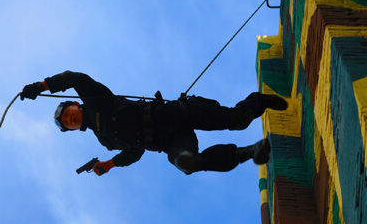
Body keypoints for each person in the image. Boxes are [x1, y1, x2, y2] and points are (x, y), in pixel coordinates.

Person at [20, 71, 287, 175]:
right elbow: (133, 153)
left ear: (75, 105)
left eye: (69, 113)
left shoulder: (97, 100)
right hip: (170, 142)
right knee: (187, 164)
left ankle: (258, 101)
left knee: (237, 121)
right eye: (68, 123)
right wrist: (110, 164)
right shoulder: (104, 139)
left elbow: (73, 77)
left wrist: (41, 86)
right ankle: (251, 151)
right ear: (73, 129)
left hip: (176, 114)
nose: (71, 119)